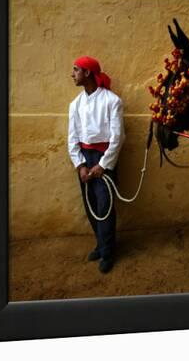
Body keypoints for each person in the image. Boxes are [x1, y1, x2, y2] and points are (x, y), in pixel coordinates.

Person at [68, 56, 125, 274]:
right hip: (85, 158)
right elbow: (72, 138)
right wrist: (80, 165)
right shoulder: (75, 105)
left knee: (104, 207)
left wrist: (104, 165)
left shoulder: (112, 101)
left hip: (104, 159)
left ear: (88, 73)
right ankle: (101, 245)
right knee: (90, 203)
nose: (72, 74)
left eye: (76, 70)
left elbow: (117, 137)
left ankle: (108, 252)